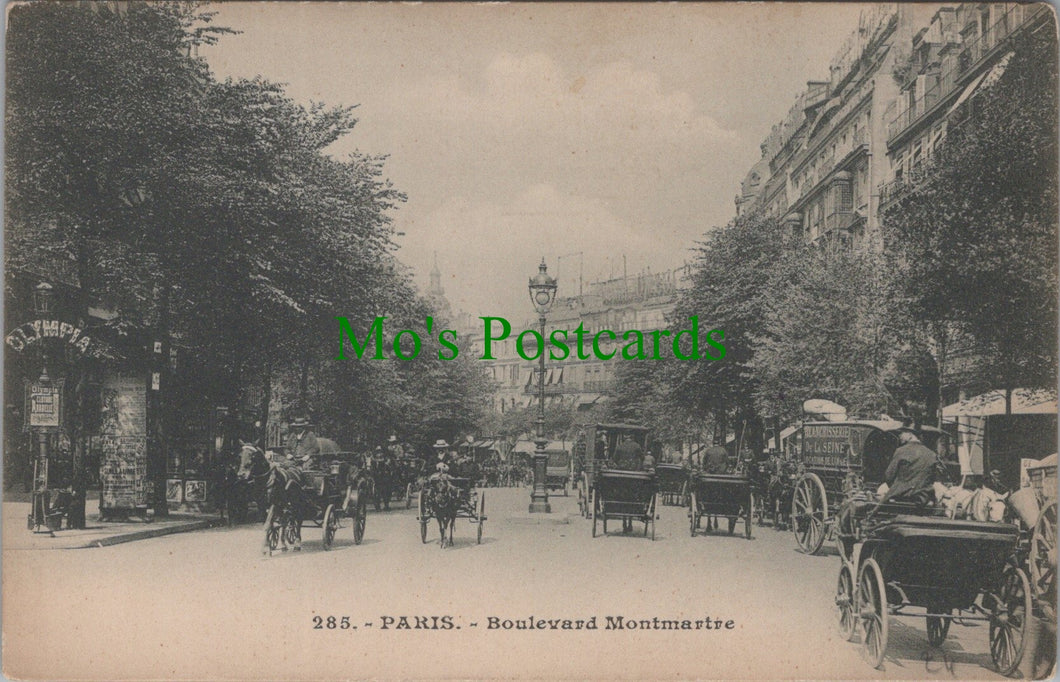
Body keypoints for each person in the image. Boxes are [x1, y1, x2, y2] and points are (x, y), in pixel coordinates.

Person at [882, 428, 941, 507]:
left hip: (901, 496)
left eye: (902, 433)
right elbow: (932, 479)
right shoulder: (931, 454)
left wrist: (898, 488)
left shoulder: (901, 451)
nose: (899, 436)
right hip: (923, 498)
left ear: (910, 435)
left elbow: (889, 476)